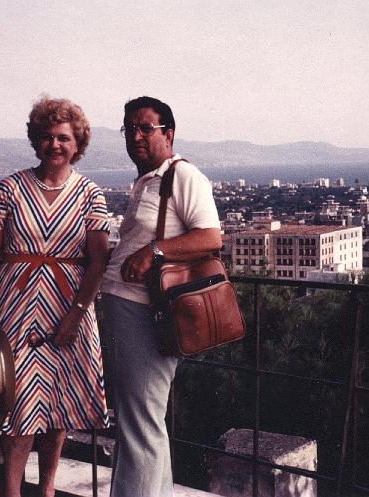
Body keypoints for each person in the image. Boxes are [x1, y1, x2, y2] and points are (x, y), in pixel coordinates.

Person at [0, 96, 110, 497]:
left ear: (77, 143)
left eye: (64, 138)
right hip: (16, 310)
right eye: (48, 137)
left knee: (59, 407)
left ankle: (47, 490)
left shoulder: (90, 194)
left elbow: (99, 262)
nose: (55, 144)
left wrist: (76, 314)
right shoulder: (11, 188)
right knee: (17, 409)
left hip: (69, 310)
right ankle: (12, 493)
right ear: (37, 140)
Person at [101, 96, 222, 497]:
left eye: (145, 128)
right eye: (128, 129)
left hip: (147, 310)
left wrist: (152, 252)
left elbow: (210, 238)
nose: (135, 136)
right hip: (129, 308)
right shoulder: (148, 179)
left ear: (168, 133)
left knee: (139, 423)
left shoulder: (183, 176)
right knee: (143, 420)